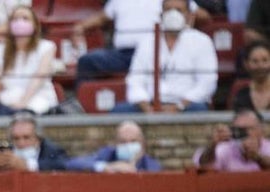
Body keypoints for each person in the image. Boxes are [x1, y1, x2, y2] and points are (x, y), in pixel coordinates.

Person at [112, 0, 217, 114]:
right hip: (151, 105)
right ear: (161, 14)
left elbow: (207, 83)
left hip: (187, 106)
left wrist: (179, 106)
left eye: (179, 10)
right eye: (168, 10)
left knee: (199, 110)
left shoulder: (202, 41)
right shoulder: (147, 41)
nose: (173, 14)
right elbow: (135, 81)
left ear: (189, 15)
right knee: (119, 111)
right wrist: (147, 108)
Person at [71, 0, 207, 87]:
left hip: (156, 53)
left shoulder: (170, 2)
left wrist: (186, 23)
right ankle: (84, 109)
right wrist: (80, 27)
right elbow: (102, 17)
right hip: (123, 55)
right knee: (87, 61)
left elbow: (202, 15)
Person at [0, 5, 58, 115]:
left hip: (39, 97)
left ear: (35, 25)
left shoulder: (47, 47)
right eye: (16, 19)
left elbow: (38, 79)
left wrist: (23, 103)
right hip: (7, 98)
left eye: (25, 18)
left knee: (27, 113)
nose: (20, 22)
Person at [0, 111, 69, 172]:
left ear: (38, 138)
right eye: (16, 138)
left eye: (26, 138)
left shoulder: (52, 150)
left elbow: (64, 166)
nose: (21, 143)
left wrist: (27, 166)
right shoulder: (7, 151)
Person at [65, 120, 163, 173]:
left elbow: (154, 173)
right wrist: (106, 167)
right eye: (123, 142)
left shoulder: (149, 163)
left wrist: (134, 171)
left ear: (142, 144)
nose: (128, 145)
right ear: (116, 143)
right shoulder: (107, 154)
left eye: (133, 141)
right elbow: (72, 164)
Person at [233, 41, 270, 112]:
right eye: (255, 61)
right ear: (246, 64)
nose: (260, 66)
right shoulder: (240, 92)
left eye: (265, 60)